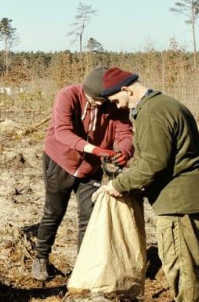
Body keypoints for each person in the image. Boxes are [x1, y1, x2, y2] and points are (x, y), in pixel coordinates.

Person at [102, 69, 199, 302]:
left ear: (127, 90)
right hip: (191, 193)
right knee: (188, 260)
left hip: (178, 200)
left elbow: (154, 164)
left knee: (179, 263)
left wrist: (119, 184)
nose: (118, 106)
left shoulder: (152, 111)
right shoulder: (168, 103)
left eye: (117, 100)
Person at [31, 67, 134, 281]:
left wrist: (125, 151)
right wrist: (95, 149)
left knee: (89, 217)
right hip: (60, 160)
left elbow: (125, 131)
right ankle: (41, 258)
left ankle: (82, 267)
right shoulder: (67, 95)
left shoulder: (112, 102)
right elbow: (62, 131)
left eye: (103, 101)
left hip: (91, 168)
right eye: (95, 101)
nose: (99, 105)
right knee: (53, 212)